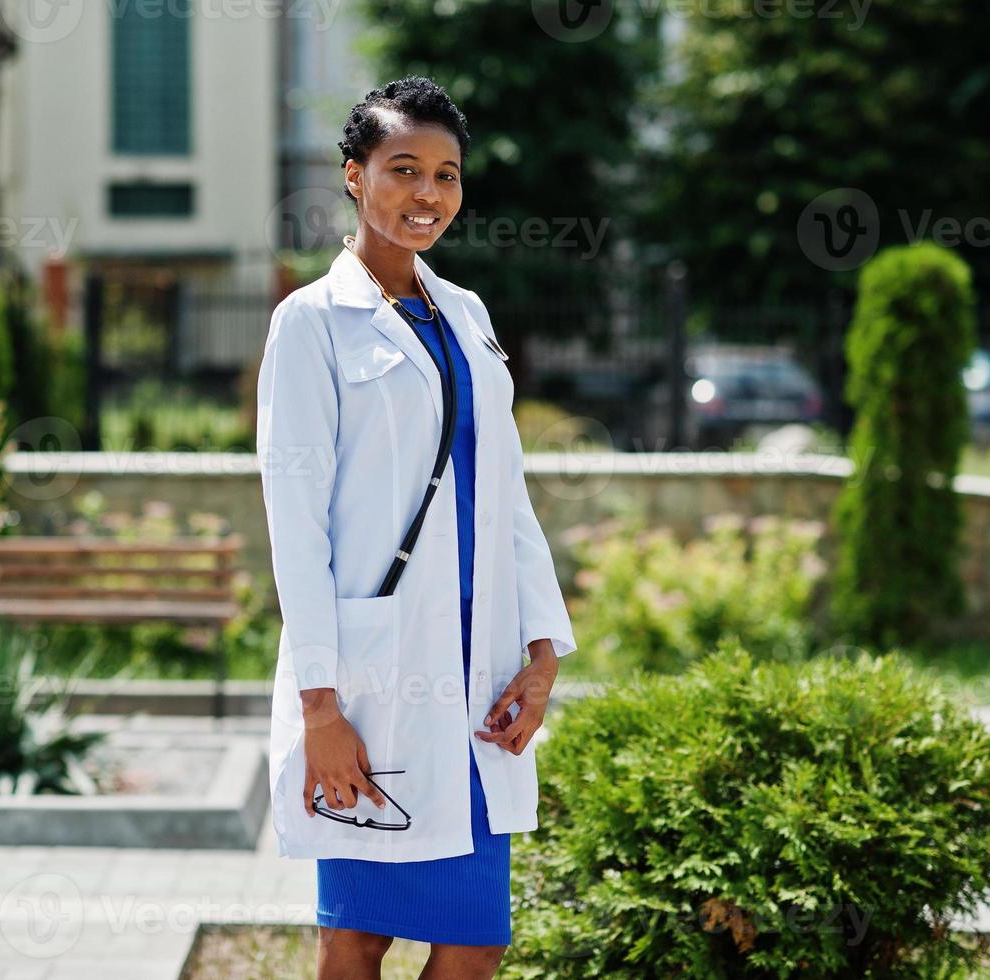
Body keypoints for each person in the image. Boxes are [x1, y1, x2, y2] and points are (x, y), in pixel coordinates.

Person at [255, 75, 577, 980]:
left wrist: (543, 649)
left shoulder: (467, 316)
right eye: (403, 170)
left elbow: (504, 491)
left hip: (476, 674)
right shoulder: (310, 324)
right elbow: (296, 524)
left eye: (446, 175)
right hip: (370, 677)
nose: (427, 195)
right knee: (355, 935)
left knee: (476, 941)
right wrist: (320, 707)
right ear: (354, 177)